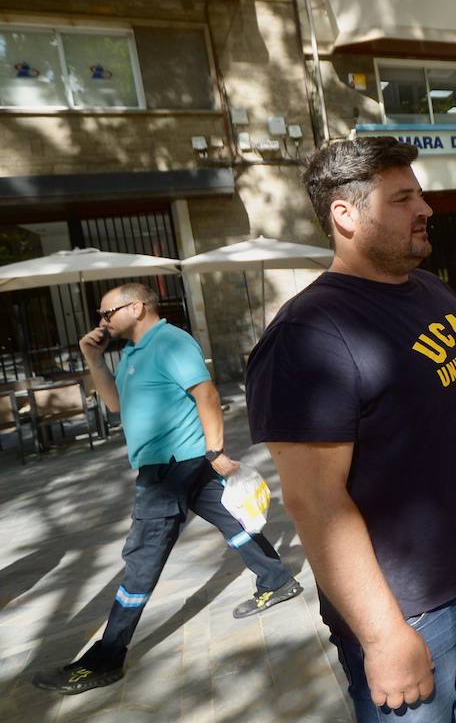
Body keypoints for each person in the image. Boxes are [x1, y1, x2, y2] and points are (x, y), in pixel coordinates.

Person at [245, 136, 456, 723]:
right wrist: (383, 637)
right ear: (345, 216)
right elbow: (315, 503)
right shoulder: (309, 335)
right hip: (413, 612)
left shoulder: (429, 288)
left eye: (420, 193)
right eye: (403, 197)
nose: (428, 208)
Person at [32, 283, 301, 695]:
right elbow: (116, 405)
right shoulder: (133, 354)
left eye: (107, 313)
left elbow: (206, 394)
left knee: (141, 558)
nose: (101, 322)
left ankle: (108, 657)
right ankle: (276, 578)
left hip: (172, 468)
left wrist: (215, 450)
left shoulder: (171, 341)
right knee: (231, 521)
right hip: (173, 464)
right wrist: (92, 358)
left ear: (136, 307)